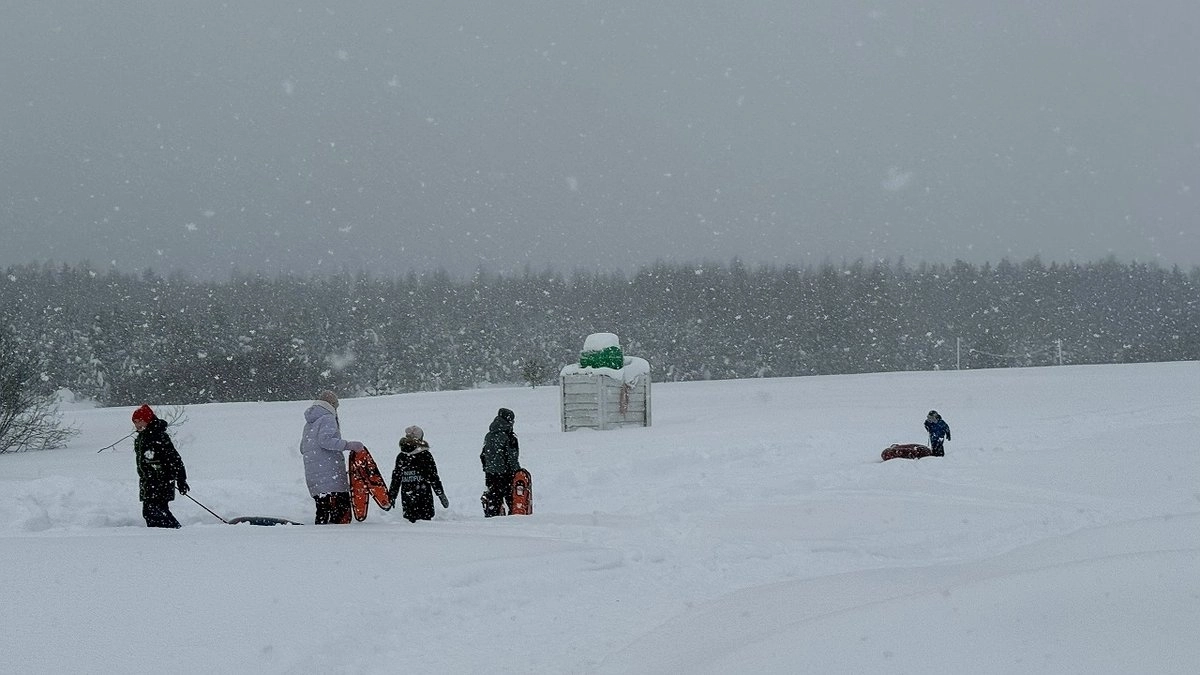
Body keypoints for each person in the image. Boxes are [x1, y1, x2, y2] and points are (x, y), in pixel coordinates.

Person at [299, 390, 365, 524]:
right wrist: (348, 445)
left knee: (322, 509)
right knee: (339, 512)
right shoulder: (328, 418)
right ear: (332, 405)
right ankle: (336, 538)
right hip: (330, 475)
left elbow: (302, 448)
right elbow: (325, 441)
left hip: (314, 475)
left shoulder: (310, 422)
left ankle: (321, 536)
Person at [132, 404, 189, 528]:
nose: (137, 425)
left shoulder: (158, 436)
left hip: (161, 481)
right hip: (148, 483)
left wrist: (181, 480)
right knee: (150, 512)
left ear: (147, 420)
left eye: (140, 421)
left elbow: (175, 459)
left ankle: (173, 531)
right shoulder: (141, 438)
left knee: (154, 511)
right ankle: (163, 534)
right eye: (135, 422)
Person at [387, 425, 449, 523]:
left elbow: (396, 478)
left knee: (411, 527)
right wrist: (440, 493)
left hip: (407, 497)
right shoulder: (425, 455)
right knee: (426, 525)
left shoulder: (402, 456)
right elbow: (433, 477)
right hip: (424, 496)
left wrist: (391, 496)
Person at [480, 407, 521, 517]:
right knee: (512, 499)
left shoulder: (489, 436)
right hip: (505, 474)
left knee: (494, 497)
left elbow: (483, 455)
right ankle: (514, 520)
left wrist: (487, 468)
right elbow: (512, 458)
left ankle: (492, 516)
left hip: (490, 474)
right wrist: (517, 472)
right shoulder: (509, 437)